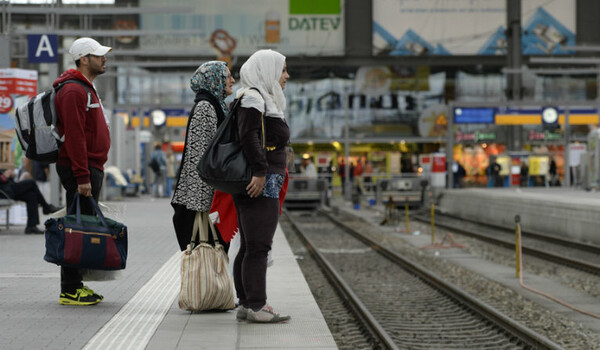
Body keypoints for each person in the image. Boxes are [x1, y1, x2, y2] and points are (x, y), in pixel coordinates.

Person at [231, 49, 291, 323]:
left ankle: (246, 303)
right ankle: (257, 305)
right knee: (258, 246)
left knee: (250, 244)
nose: (286, 76)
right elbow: (248, 136)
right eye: (282, 70)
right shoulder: (253, 98)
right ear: (267, 71)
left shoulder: (259, 97)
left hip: (265, 178)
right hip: (261, 181)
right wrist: (259, 171)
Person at [53, 37, 112, 306]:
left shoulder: (85, 88)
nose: (104, 58)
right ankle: (70, 288)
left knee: (82, 226)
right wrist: (82, 177)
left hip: (89, 166)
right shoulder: (74, 91)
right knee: (76, 229)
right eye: (98, 55)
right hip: (82, 168)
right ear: (83, 59)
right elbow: (75, 137)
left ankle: (76, 284)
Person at [171, 61, 235, 251]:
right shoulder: (206, 108)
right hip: (205, 198)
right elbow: (198, 158)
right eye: (228, 76)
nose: (232, 80)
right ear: (215, 79)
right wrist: (204, 206)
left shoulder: (217, 105)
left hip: (212, 193)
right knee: (207, 248)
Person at [0, 168, 60, 234]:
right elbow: (2, 179)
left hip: (9, 189)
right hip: (5, 192)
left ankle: (31, 227)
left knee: (32, 196)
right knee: (31, 182)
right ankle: (46, 207)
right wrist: (4, 176)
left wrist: (10, 175)